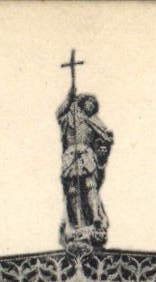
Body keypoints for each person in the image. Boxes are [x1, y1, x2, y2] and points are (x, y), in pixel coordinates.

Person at [57, 87, 114, 246]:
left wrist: (102, 147)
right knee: (73, 190)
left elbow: (105, 140)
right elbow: (59, 114)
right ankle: (76, 221)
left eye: (92, 104)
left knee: (90, 185)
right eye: (87, 103)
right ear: (82, 104)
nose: (89, 106)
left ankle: (95, 216)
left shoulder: (94, 121)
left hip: (86, 154)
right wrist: (69, 97)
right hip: (70, 156)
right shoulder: (69, 118)